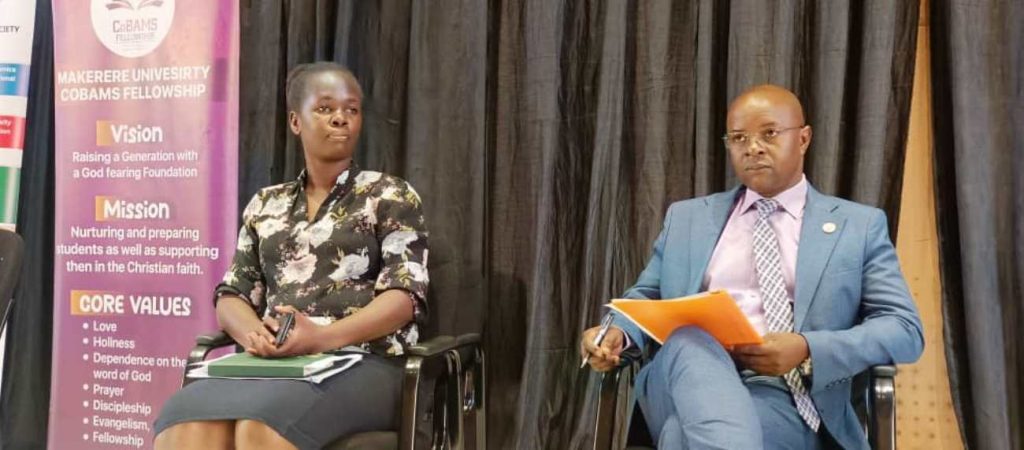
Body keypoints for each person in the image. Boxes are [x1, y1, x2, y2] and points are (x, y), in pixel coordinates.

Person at [580, 85, 924, 449]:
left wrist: (807, 347)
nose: (753, 147)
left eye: (769, 134)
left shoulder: (858, 226)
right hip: (679, 379)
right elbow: (646, 295)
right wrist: (615, 333)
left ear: (804, 139)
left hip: (783, 394)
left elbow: (903, 329)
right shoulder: (688, 218)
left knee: (680, 436)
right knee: (689, 339)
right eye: (739, 138)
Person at [154, 62, 429, 450]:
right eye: (325, 108)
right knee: (187, 425)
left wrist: (320, 339)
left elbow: (404, 297)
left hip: (366, 361)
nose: (340, 119)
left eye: (351, 110)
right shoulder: (267, 203)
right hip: (277, 363)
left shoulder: (389, 195)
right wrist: (254, 334)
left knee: (259, 428)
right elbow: (232, 293)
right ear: (296, 122)